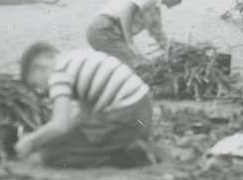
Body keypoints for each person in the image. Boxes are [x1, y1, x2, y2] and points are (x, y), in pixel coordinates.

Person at [14, 43, 154, 169]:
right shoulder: (76, 57)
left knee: (53, 153)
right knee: (75, 141)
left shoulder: (58, 73)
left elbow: (59, 125)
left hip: (125, 115)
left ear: (39, 66)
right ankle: (129, 146)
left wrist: (30, 141)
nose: (41, 90)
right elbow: (85, 115)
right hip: (142, 112)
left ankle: (129, 156)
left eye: (35, 84)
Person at [86, 0, 191, 67]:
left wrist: (182, 50)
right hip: (103, 30)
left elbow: (161, 40)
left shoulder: (155, 11)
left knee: (138, 63)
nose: (179, 2)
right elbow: (126, 13)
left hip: (111, 34)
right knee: (136, 65)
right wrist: (130, 43)